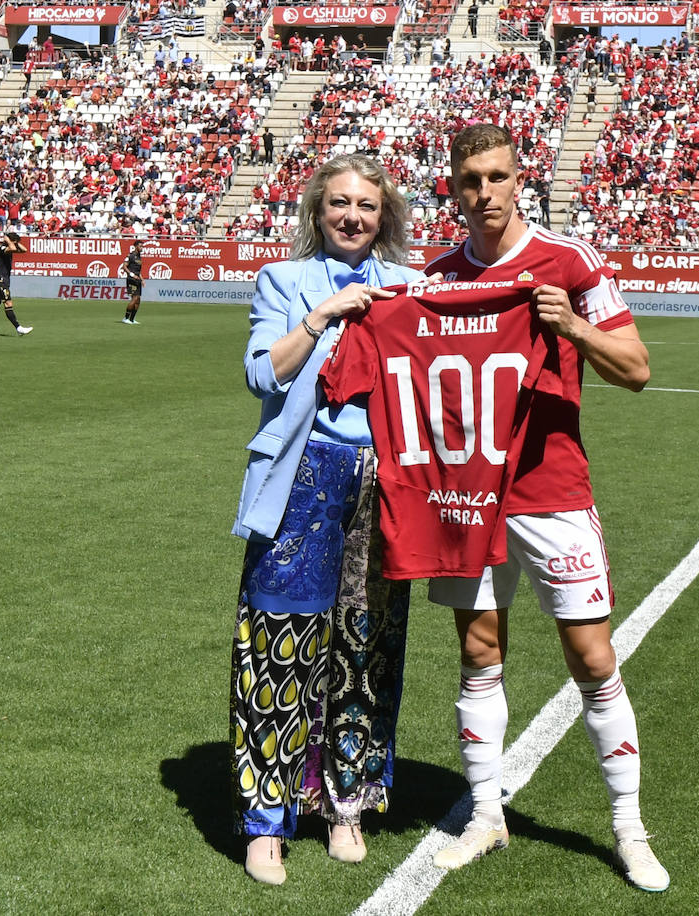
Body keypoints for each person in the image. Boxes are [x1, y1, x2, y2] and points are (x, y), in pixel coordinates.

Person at [424, 124, 669, 893]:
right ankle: (486, 815)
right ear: (453, 186)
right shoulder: (436, 277)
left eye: (496, 176)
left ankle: (630, 830)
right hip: (466, 498)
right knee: (478, 654)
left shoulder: (571, 262)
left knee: (593, 660)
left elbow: (637, 370)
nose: (484, 193)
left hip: (552, 495)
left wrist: (572, 324)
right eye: (470, 180)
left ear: (518, 177)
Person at [230, 154, 424, 886]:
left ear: (385, 217)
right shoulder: (285, 281)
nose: (352, 216)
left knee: (365, 641)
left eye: (367, 206)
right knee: (278, 644)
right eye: (339, 203)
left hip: (385, 483)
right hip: (302, 476)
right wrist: (318, 319)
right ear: (317, 212)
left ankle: (347, 803)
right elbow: (261, 372)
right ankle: (265, 821)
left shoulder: (408, 289)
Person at [122, 239, 143, 324]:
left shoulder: (139, 257)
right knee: (134, 298)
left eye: (142, 246)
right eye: (140, 246)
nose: (142, 248)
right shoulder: (130, 255)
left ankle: (132, 319)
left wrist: (142, 279)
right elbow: (124, 266)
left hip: (138, 280)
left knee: (138, 300)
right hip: (131, 280)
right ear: (136, 246)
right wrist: (131, 275)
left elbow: (138, 270)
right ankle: (125, 318)